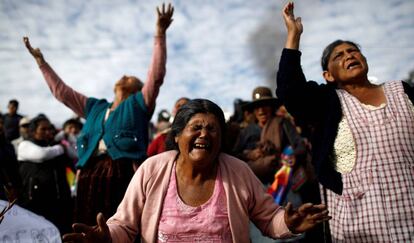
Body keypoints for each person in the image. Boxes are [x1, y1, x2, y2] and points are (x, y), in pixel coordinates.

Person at [62, 99, 331, 243]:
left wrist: (290, 223)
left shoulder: (237, 171)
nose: (205, 134)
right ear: (177, 136)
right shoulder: (152, 169)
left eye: (212, 129)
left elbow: (269, 218)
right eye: (197, 127)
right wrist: (108, 237)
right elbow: (125, 224)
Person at [23, 3, 174, 225]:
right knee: (87, 227)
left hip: (122, 173)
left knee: (118, 227)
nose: (124, 75)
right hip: (89, 175)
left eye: (130, 77)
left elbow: (156, 75)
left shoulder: (139, 104)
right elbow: (62, 93)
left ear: (137, 88)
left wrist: (159, 34)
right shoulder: (95, 107)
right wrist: (41, 63)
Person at [277, 2, 414, 242]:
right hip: (360, 222)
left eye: (353, 51)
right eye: (338, 56)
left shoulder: (402, 91)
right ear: (328, 75)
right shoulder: (328, 102)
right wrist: (293, 36)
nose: (348, 55)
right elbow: (290, 92)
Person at [17, 115, 73, 235]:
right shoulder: (25, 145)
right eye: (43, 129)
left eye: (49, 129)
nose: (48, 132)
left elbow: (74, 155)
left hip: (58, 204)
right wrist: (60, 147)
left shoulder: (54, 146)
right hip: (35, 204)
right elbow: (41, 155)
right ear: (33, 131)